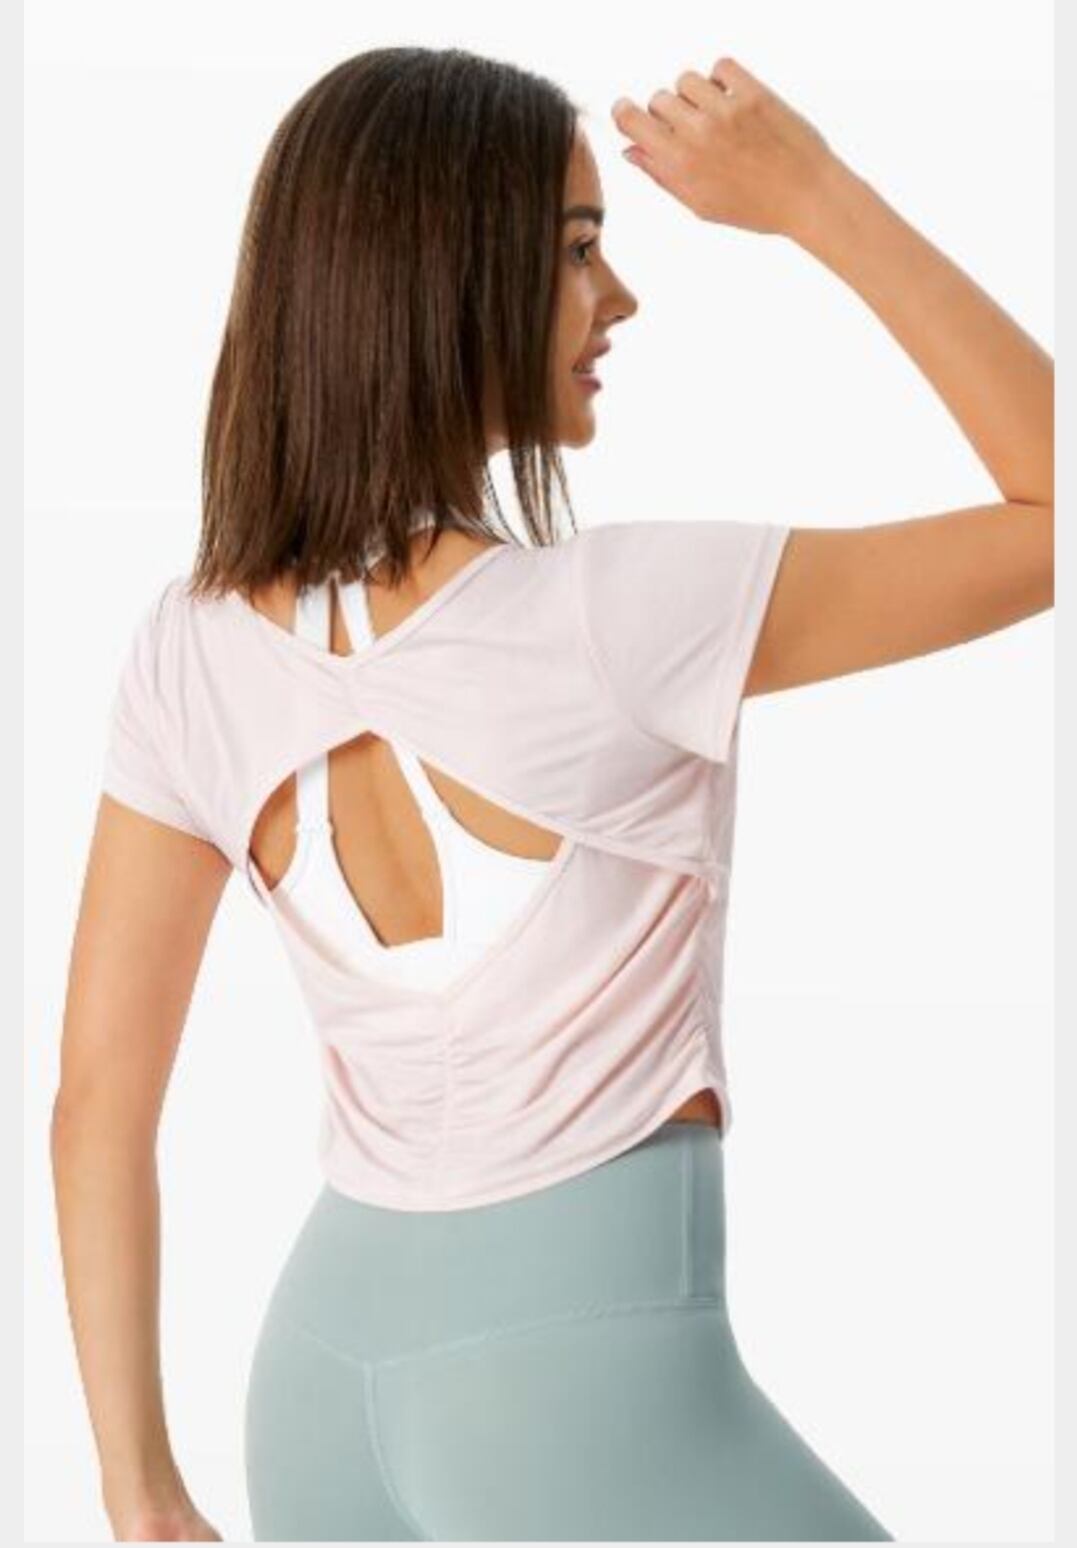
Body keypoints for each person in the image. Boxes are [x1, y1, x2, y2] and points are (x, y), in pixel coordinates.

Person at [51, 45, 1053, 1544]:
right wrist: (814, 198)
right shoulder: (622, 615)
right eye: (579, 250)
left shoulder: (188, 650)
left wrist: (139, 1491)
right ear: (446, 279)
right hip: (577, 1393)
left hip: (317, 1392)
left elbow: (95, 1107)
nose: (618, 298)